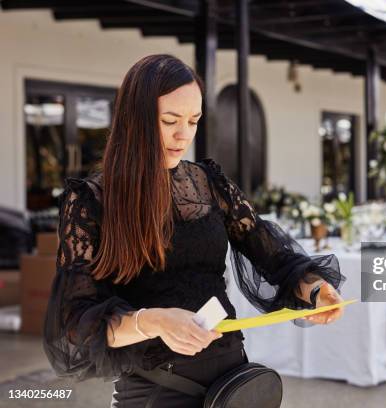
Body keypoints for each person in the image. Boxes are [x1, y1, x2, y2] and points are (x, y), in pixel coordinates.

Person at [42, 54, 346, 408]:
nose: (183, 135)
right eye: (169, 120)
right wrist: (153, 320)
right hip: (158, 388)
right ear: (134, 121)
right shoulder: (91, 201)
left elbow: (267, 249)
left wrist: (313, 288)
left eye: (193, 121)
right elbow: (79, 323)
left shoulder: (207, 181)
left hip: (233, 379)